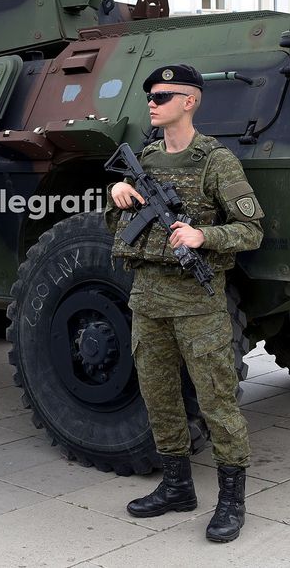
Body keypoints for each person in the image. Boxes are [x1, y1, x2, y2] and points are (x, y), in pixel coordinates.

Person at [106, 64, 264, 543]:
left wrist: (202, 234)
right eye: (150, 94)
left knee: (216, 403)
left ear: (189, 101)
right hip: (148, 299)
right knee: (158, 397)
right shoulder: (147, 158)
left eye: (163, 95)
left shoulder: (216, 161)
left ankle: (232, 501)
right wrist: (116, 194)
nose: (152, 102)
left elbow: (252, 230)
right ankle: (176, 486)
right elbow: (122, 219)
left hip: (197, 303)